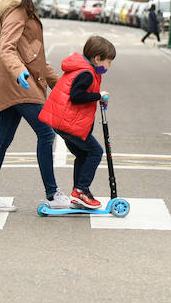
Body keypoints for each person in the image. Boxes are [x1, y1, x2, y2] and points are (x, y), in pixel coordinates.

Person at [0, 0, 70, 213]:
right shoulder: (17, 10)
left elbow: (36, 58)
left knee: (2, 140)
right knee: (46, 133)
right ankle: (52, 194)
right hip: (20, 86)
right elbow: (7, 47)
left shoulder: (25, 8)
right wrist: (20, 73)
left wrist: (62, 84)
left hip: (18, 84)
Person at [39, 36, 116, 210]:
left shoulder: (84, 69)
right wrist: (98, 96)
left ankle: (78, 193)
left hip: (63, 121)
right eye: (108, 61)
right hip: (68, 122)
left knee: (83, 154)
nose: (109, 66)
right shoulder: (87, 74)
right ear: (97, 59)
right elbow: (76, 96)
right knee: (96, 152)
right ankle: (81, 191)